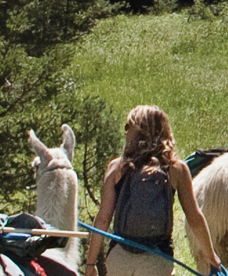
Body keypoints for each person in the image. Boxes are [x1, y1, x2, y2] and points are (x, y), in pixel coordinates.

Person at [84, 105, 219, 276]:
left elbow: (102, 220)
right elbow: (194, 217)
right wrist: (211, 255)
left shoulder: (116, 167)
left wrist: (90, 263)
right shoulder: (176, 169)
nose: (125, 132)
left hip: (119, 258)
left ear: (139, 131)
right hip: (157, 258)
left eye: (128, 127)